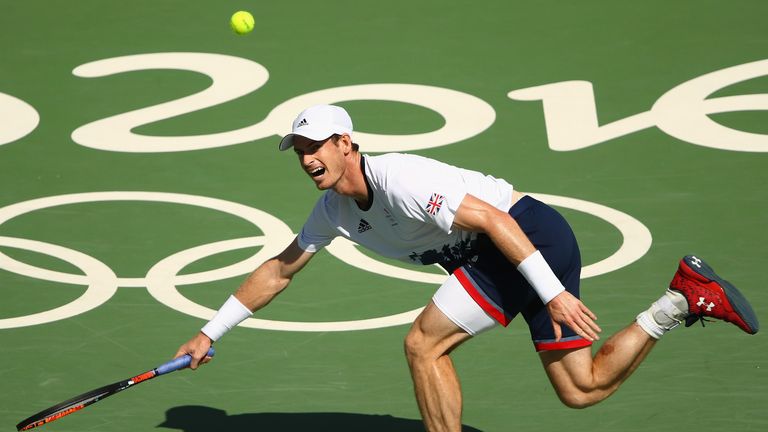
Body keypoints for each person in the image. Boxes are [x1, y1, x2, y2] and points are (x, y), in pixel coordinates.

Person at [175, 104, 759, 432]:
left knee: (422, 344)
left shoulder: (402, 181)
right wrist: (210, 331)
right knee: (583, 390)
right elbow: (279, 271)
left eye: (316, 147)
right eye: (299, 152)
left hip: (528, 237)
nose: (307, 160)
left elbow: (498, 223)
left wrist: (552, 295)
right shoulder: (333, 212)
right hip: (505, 256)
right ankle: (682, 299)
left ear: (346, 144)